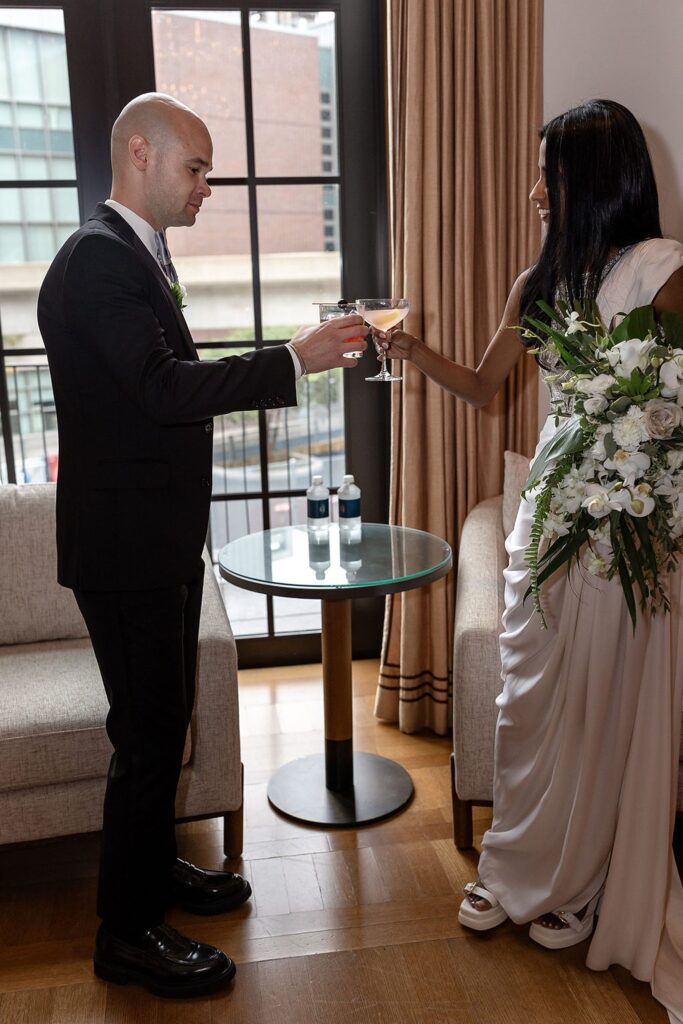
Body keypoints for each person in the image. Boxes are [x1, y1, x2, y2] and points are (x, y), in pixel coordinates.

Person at [37, 92, 366, 999]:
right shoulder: (97, 260)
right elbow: (160, 389)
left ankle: (152, 877)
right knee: (145, 740)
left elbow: (156, 379)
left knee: (161, 726)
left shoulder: (135, 253)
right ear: (139, 153)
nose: (206, 186)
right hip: (124, 547)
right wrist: (292, 359)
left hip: (154, 539)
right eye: (196, 167)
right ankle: (126, 933)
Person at [375, 99, 683, 1022]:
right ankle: (514, 866)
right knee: (531, 697)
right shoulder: (536, 282)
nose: (532, 190)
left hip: (626, 528)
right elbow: (482, 387)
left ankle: (585, 883)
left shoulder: (664, 276)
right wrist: (409, 348)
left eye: (547, 171)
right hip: (551, 520)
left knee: (604, 706)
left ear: (595, 178)